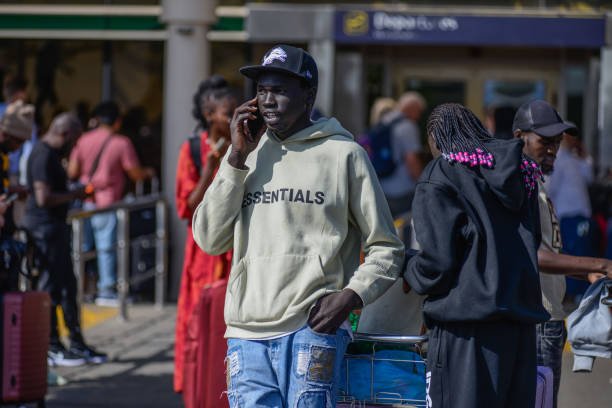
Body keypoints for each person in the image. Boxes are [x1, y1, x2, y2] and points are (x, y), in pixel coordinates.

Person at [192, 44, 404, 407]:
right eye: (261, 91)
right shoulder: (246, 155)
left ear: (308, 95)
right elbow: (209, 239)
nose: (267, 101)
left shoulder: (344, 155)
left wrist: (349, 298)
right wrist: (236, 158)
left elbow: (387, 248)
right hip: (246, 333)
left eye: (279, 90)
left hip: (313, 329)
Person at [404, 103, 550, 408]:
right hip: (520, 330)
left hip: (465, 329)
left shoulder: (441, 173)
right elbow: (533, 241)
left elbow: (438, 264)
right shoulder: (521, 172)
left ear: (436, 138)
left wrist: (407, 267)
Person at [511, 99, 611, 407]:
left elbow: (547, 255)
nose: (553, 149)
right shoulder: (515, 185)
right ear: (519, 138)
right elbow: (531, 254)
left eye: (557, 142)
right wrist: (602, 264)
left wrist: (588, 274)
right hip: (536, 323)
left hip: (550, 320)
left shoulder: (536, 184)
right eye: (545, 142)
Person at [24, 112, 107, 366]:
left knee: (68, 287)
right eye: (76, 140)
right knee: (51, 288)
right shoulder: (42, 154)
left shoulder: (49, 154)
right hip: (44, 230)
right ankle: (52, 345)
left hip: (54, 228)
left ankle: (75, 341)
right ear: (65, 134)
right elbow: (43, 198)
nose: (76, 146)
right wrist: (76, 194)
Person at [173, 76, 235, 393]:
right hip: (203, 253)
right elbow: (186, 208)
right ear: (210, 115)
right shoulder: (192, 151)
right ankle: (197, 387)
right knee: (198, 321)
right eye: (228, 113)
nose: (234, 118)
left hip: (236, 250)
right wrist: (211, 168)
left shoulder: (246, 146)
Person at [68, 101, 155, 306]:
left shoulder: (83, 140)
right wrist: (149, 173)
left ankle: (78, 289)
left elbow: (72, 172)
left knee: (82, 248)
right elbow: (135, 174)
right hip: (107, 203)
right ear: (117, 122)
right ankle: (106, 291)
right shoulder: (121, 142)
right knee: (107, 248)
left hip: (85, 201)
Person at [546, 127, 595, 300]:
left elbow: (589, 177)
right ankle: (572, 292)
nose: (570, 140)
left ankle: (579, 293)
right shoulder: (557, 160)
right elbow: (551, 188)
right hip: (567, 215)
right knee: (569, 253)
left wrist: (584, 154)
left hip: (579, 214)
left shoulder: (574, 159)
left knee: (579, 252)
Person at [378, 91, 426, 216]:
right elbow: (412, 159)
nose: (418, 116)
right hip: (402, 191)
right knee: (404, 230)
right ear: (411, 108)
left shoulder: (384, 120)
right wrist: (423, 184)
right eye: (419, 111)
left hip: (382, 187)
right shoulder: (408, 126)